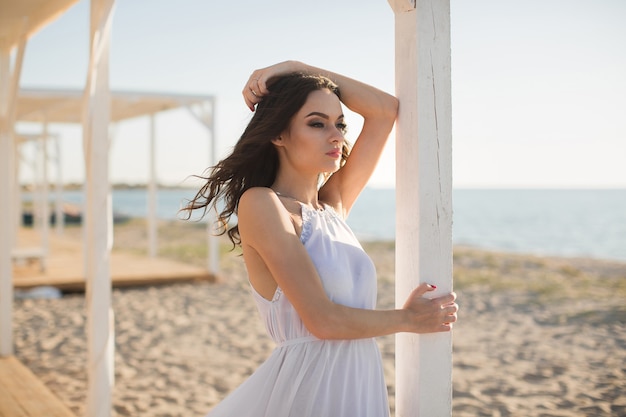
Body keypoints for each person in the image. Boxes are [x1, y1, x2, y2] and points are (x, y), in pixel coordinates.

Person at [183, 60, 458, 417]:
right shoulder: (262, 204)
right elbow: (322, 321)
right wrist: (408, 320)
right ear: (278, 134)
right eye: (317, 123)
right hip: (309, 392)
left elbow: (384, 110)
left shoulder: (333, 206)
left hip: (357, 384)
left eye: (340, 124)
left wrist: (294, 68)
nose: (337, 136)